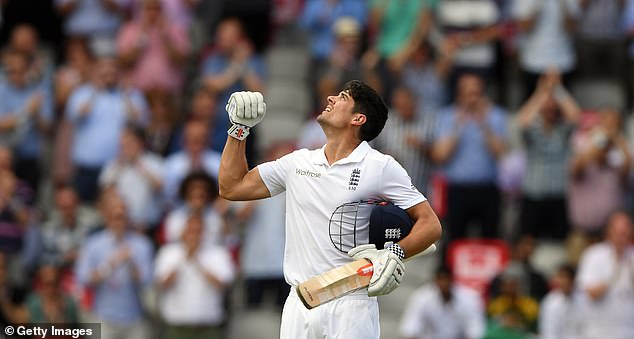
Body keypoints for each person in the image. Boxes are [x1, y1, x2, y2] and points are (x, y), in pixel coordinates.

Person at [218, 80, 442, 339]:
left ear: (358, 118)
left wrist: (395, 252)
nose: (330, 99)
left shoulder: (380, 166)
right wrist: (239, 129)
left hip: (351, 301)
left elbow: (430, 223)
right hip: (299, 300)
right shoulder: (298, 161)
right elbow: (232, 187)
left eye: (342, 97)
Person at [74, 192, 153, 339]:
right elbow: (84, 279)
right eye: (116, 217)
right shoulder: (93, 244)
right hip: (103, 317)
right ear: (107, 218)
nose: (120, 222)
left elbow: (146, 281)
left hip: (134, 318)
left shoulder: (142, 244)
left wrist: (130, 263)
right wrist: (110, 265)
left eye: (123, 217)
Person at [516, 70, 580, 240]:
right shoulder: (533, 129)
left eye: (554, 104)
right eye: (547, 104)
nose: (550, 107)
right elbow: (522, 121)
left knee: (559, 242)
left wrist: (557, 89)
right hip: (533, 195)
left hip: (558, 196)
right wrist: (542, 92)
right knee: (527, 241)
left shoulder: (563, 130)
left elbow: (575, 116)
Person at [155, 214, 235, 339]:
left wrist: (198, 261)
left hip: (209, 327)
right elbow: (163, 285)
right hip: (177, 327)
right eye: (191, 231)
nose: (194, 236)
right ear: (183, 232)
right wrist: (184, 258)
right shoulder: (168, 253)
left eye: (198, 231)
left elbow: (222, 286)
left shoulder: (219, 254)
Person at [575, 211, 634, 339]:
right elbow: (591, 293)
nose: (621, 235)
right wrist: (615, 270)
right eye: (618, 231)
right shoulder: (593, 255)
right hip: (598, 333)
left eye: (625, 230)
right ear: (608, 231)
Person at [399, 265, 485, 339]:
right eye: (441, 280)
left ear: (452, 280)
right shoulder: (421, 297)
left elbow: (475, 332)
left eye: (446, 279)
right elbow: (410, 330)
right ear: (435, 281)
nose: (444, 284)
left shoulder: (470, 298)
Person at [539, 264, 584, 339]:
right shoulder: (550, 301)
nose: (563, 281)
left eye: (566, 277)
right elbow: (548, 331)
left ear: (573, 280)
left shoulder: (583, 300)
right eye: (560, 277)